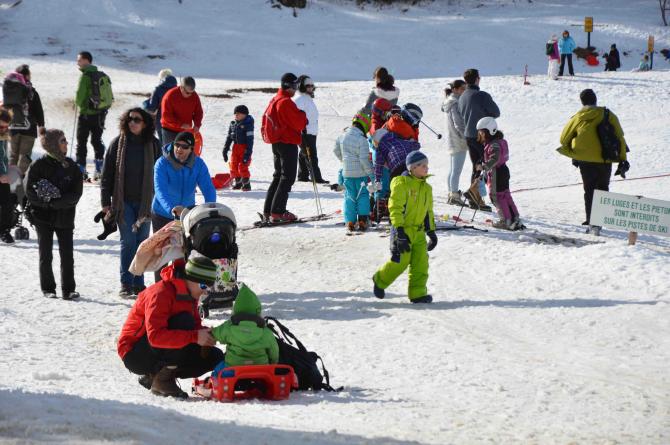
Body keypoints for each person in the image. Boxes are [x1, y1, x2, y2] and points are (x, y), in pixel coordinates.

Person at [117, 257, 224, 399]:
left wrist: (211, 334)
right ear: (191, 279)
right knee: (184, 321)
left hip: (158, 349)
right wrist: (195, 336)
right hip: (135, 354)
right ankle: (162, 380)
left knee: (215, 357)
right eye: (204, 286)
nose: (206, 292)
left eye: (209, 287)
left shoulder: (190, 294)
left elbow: (195, 327)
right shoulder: (160, 293)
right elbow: (155, 337)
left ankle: (155, 374)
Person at [100, 108, 161, 298]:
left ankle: (138, 282)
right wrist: (105, 202)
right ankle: (126, 282)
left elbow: (161, 174)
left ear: (145, 124)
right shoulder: (117, 143)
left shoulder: (154, 144)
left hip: (146, 203)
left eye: (137, 120)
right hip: (122, 202)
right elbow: (107, 174)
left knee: (142, 243)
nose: (132, 123)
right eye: (129, 119)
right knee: (128, 241)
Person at [24, 129, 83, 299]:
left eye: (65, 140)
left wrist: (56, 203)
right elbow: (30, 191)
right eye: (62, 140)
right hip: (43, 217)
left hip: (65, 217)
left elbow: (76, 194)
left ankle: (68, 289)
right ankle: (48, 289)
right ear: (52, 144)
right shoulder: (38, 165)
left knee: (67, 255)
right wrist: (47, 203)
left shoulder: (72, 166)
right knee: (45, 254)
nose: (66, 143)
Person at [372, 151, 436, 304]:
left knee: (421, 263)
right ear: (412, 168)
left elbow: (428, 212)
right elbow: (395, 208)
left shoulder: (426, 188)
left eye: (427, 165)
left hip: (419, 232)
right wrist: (399, 231)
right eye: (422, 165)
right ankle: (380, 279)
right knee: (400, 261)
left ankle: (417, 293)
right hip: (403, 230)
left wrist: (431, 232)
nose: (426, 168)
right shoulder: (402, 183)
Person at [558, 89, 627, 230]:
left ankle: (591, 222)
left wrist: (573, 153)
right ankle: (599, 221)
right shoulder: (608, 114)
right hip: (605, 158)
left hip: (584, 159)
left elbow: (563, 138)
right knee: (603, 188)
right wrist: (622, 159)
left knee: (589, 189)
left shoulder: (578, 117)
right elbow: (620, 137)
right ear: (596, 100)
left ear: (582, 102)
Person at [152, 131, 217, 280]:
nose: (179, 149)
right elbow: (160, 189)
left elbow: (208, 187)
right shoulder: (162, 163)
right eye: (177, 145)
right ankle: (160, 287)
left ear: (191, 149)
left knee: (183, 254)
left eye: (184, 147)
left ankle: (181, 289)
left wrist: (211, 206)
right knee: (161, 254)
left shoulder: (198, 164)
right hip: (162, 213)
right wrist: (171, 207)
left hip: (187, 215)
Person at [261, 73, 308, 223]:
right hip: (287, 142)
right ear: (288, 87)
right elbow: (299, 123)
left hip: (277, 143)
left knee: (278, 176)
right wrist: (303, 115)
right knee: (287, 177)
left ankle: (268, 210)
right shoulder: (285, 102)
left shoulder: (275, 99)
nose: (295, 90)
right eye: (294, 86)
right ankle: (278, 212)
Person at [458, 68, 498, 211]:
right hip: (482, 135)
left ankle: (474, 200)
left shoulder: (462, 96)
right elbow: (496, 112)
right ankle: (475, 194)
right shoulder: (481, 95)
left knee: (476, 165)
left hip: (468, 135)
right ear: (477, 79)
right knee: (487, 165)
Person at [210, 284, 279, 367]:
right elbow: (274, 351)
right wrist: (273, 362)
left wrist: (211, 331)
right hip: (261, 371)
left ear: (236, 310)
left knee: (218, 370)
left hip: (232, 371)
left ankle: (212, 380)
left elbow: (214, 334)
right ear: (257, 311)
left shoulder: (228, 327)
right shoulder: (265, 332)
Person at [475, 117, 523, 230]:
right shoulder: (499, 141)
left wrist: (484, 166)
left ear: (489, 131)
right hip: (503, 170)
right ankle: (514, 217)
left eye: (481, 132)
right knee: (505, 195)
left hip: (497, 173)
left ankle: (505, 220)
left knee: (496, 196)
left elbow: (495, 158)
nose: (480, 135)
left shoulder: (494, 145)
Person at [75, 51, 112, 181]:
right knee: (97, 140)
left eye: (79, 60)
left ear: (86, 61)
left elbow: (79, 97)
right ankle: (99, 168)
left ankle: (81, 169)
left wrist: (81, 106)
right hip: (100, 115)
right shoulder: (101, 75)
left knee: (81, 142)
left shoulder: (85, 76)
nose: (78, 63)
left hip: (86, 115)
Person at [333, 113, 373, 232]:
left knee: (349, 197)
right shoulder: (362, 140)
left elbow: (335, 150)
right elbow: (364, 160)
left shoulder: (342, 136)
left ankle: (350, 221)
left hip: (347, 174)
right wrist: (371, 174)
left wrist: (344, 161)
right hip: (361, 175)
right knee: (363, 197)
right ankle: (362, 220)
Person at [373, 103, 422, 189]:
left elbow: (378, 163)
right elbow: (416, 145)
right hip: (405, 164)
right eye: (415, 120)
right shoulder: (405, 129)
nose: (415, 123)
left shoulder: (392, 123)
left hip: (392, 165)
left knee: (392, 187)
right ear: (409, 117)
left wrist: (377, 179)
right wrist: (415, 128)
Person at [9, 65, 45, 175]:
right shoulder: (32, 92)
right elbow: (39, 110)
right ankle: (19, 177)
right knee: (25, 155)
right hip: (29, 129)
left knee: (13, 154)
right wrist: (41, 126)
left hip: (13, 128)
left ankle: (10, 180)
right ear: (27, 76)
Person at [294, 75, 327, 184]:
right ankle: (316, 178)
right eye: (308, 86)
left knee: (304, 153)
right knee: (311, 154)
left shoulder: (307, 98)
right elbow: (296, 115)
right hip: (305, 132)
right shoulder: (300, 99)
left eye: (312, 86)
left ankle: (302, 175)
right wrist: (302, 128)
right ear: (301, 86)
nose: (310, 88)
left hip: (311, 131)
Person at [441, 80, 468, 205]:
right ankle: (454, 195)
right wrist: (466, 137)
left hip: (452, 139)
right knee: (456, 170)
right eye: (462, 88)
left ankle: (451, 193)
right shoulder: (456, 103)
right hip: (458, 140)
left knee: (453, 169)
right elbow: (458, 124)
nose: (465, 91)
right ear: (455, 90)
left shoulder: (450, 101)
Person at [160, 76, 203, 145]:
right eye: (187, 93)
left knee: (185, 153)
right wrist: (180, 125)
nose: (190, 95)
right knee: (170, 154)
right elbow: (166, 116)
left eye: (192, 92)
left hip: (185, 131)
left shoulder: (194, 96)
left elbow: (198, 112)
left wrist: (197, 125)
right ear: (181, 88)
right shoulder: (170, 96)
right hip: (170, 131)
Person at [222, 105, 254, 191]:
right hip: (235, 147)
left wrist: (248, 153)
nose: (236, 115)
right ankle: (238, 183)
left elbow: (250, 140)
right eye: (235, 114)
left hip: (244, 147)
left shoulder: (248, 125)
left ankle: (247, 184)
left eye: (238, 114)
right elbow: (229, 137)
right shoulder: (233, 124)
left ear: (244, 114)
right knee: (234, 165)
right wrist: (225, 149)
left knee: (242, 166)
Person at [143, 69, 177, 147]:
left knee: (164, 146)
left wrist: (145, 104)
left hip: (162, 121)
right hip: (176, 122)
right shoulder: (178, 90)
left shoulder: (158, 89)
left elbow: (152, 108)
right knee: (175, 145)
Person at [0, 108, 14, 243]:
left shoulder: (3, 136)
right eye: (1, 126)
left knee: (7, 203)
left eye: (6, 126)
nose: (4, 129)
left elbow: (3, 157)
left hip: (3, 175)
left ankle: (4, 230)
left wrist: (7, 169)